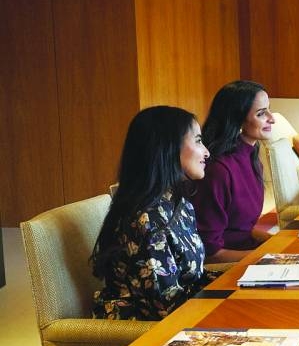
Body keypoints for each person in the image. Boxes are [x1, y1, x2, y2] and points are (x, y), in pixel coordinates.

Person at [92, 106, 215, 320]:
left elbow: (194, 279)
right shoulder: (146, 221)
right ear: (168, 148)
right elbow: (166, 308)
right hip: (145, 333)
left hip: (185, 316)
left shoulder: (177, 203)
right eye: (197, 141)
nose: (206, 152)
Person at [193, 80, 274, 262]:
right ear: (237, 119)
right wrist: (267, 257)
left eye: (269, 109)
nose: (272, 118)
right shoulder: (218, 171)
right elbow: (210, 253)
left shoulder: (251, 156)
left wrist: (273, 242)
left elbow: (240, 227)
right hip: (225, 267)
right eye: (261, 113)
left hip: (246, 253)